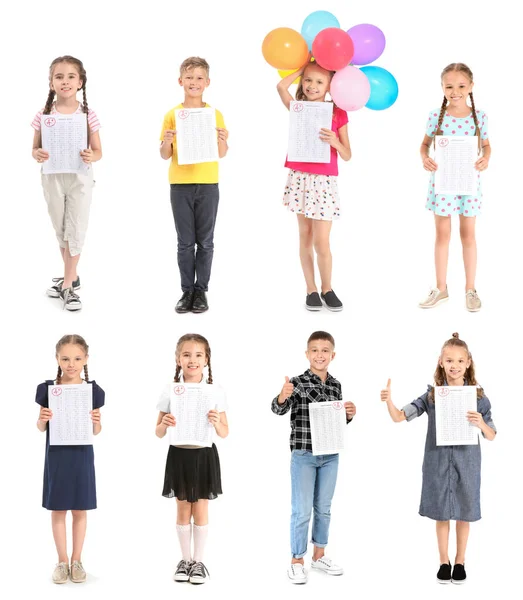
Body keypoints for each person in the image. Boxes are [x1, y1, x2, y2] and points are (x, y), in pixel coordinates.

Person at [381, 333, 496, 584]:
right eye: (449, 360)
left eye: (459, 360)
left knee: (465, 512)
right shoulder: (432, 395)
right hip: (437, 462)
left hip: (468, 463)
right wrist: (389, 401)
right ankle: (444, 562)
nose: (454, 365)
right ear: (441, 362)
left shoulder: (478, 398)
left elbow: (492, 434)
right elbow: (400, 417)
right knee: (442, 513)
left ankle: (460, 562)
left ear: (468, 363)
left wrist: (480, 424)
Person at [271, 331, 356, 583]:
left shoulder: (335, 385)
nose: (320, 355)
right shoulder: (296, 382)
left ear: (333, 354)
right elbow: (278, 409)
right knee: (301, 510)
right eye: (315, 350)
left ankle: (319, 556)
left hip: (330, 455)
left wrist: (349, 414)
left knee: (324, 508)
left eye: (325, 350)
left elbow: (335, 423)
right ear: (307, 354)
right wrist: (283, 395)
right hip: (304, 454)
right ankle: (297, 560)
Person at [277, 59, 351, 311]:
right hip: (300, 177)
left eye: (320, 81)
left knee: (322, 241)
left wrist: (335, 142)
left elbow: (348, 154)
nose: (311, 85)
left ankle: (327, 288)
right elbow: (280, 86)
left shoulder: (338, 112)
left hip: (324, 181)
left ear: (331, 85)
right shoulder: (298, 107)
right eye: (308, 80)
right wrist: (301, 68)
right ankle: (310, 289)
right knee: (305, 236)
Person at [156, 334, 228, 584]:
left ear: (206, 359)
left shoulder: (215, 390)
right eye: (186, 354)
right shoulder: (170, 389)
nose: (192, 359)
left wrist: (217, 422)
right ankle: (185, 560)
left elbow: (225, 432)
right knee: (182, 507)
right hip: (179, 454)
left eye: (198, 355)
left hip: (204, 454)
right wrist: (164, 424)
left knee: (201, 507)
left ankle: (198, 562)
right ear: (178, 359)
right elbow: (157, 431)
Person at [32, 56, 102, 311]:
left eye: (71, 76)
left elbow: (98, 151)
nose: (65, 81)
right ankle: (71, 276)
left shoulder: (87, 115)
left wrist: (90, 155)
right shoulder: (43, 115)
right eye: (59, 76)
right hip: (52, 176)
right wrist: (37, 153)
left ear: (80, 82)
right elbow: (34, 148)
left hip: (79, 177)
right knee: (60, 228)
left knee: (76, 228)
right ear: (51, 83)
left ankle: (68, 287)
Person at [419, 63, 490, 312]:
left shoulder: (479, 117)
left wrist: (486, 158)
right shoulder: (435, 116)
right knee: (442, 234)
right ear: (442, 88)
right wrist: (425, 157)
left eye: (461, 86)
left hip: (468, 184)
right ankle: (440, 288)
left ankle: (470, 289)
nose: (455, 91)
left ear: (471, 87)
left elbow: (487, 146)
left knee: (468, 234)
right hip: (443, 183)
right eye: (449, 86)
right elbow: (424, 145)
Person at [160, 57, 229, 314]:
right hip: (180, 184)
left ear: (207, 82)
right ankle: (186, 290)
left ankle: (201, 291)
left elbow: (221, 153)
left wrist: (223, 139)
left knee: (206, 242)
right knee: (185, 243)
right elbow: (164, 155)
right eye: (189, 78)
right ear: (180, 81)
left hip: (209, 183)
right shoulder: (172, 115)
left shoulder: (215, 114)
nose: (194, 82)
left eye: (200, 78)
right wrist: (166, 140)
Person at [35, 334, 104, 583]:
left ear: (86, 359)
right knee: (58, 509)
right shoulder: (49, 390)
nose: (71, 364)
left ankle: (77, 561)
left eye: (76, 358)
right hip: (57, 455)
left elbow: (96, 431)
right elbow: (41, 428)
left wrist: (97, 422)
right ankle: (62, 561)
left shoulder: (92, 391)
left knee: (80, 508)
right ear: (57, 359)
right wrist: (43, 418)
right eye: (65, 358)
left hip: (81, 454)